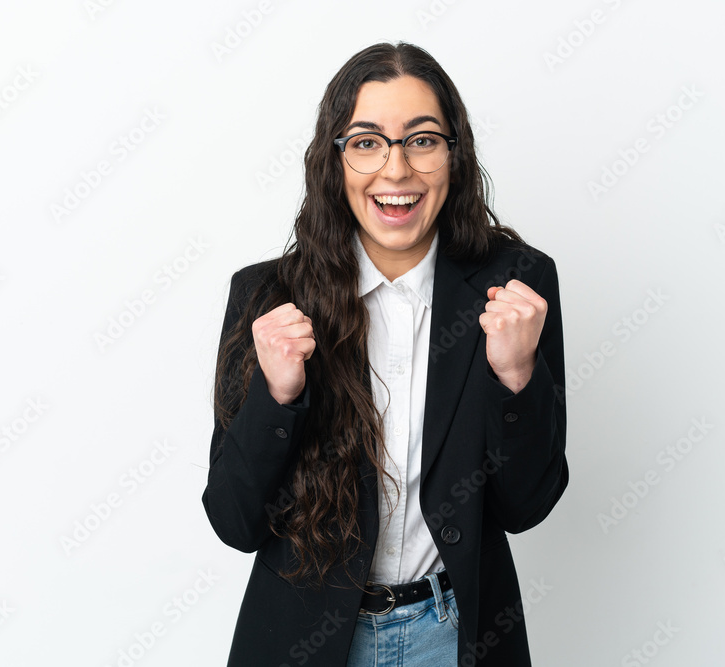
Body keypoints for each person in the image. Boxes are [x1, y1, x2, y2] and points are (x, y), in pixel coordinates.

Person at [203, 41, 567, 667]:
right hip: (307, 641)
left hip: (454, 637)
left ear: (454, 156)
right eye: (367, 142)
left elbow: (526, 505)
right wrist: (278, 396)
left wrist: (516, 376)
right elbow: (235, 522)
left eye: (422, 140)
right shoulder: (268, 297)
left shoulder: (516, 287)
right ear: (334, 160)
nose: (396, 171)